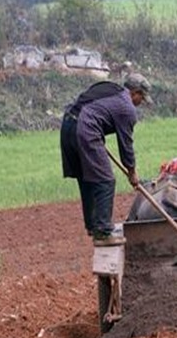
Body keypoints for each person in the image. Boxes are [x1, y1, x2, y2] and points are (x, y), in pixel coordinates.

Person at [60, 73, 152, 246]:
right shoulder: (127, 108)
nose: (140, 103)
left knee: (87, 179)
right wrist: (132, 172)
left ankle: (93, 225)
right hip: (85, 129)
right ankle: (103, 231)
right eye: (142, 98)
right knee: (105, 180)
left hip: (68, 126)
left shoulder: (111, 91)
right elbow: (126, 146)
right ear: (135, 93)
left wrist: (94, 134)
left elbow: (88, 107)